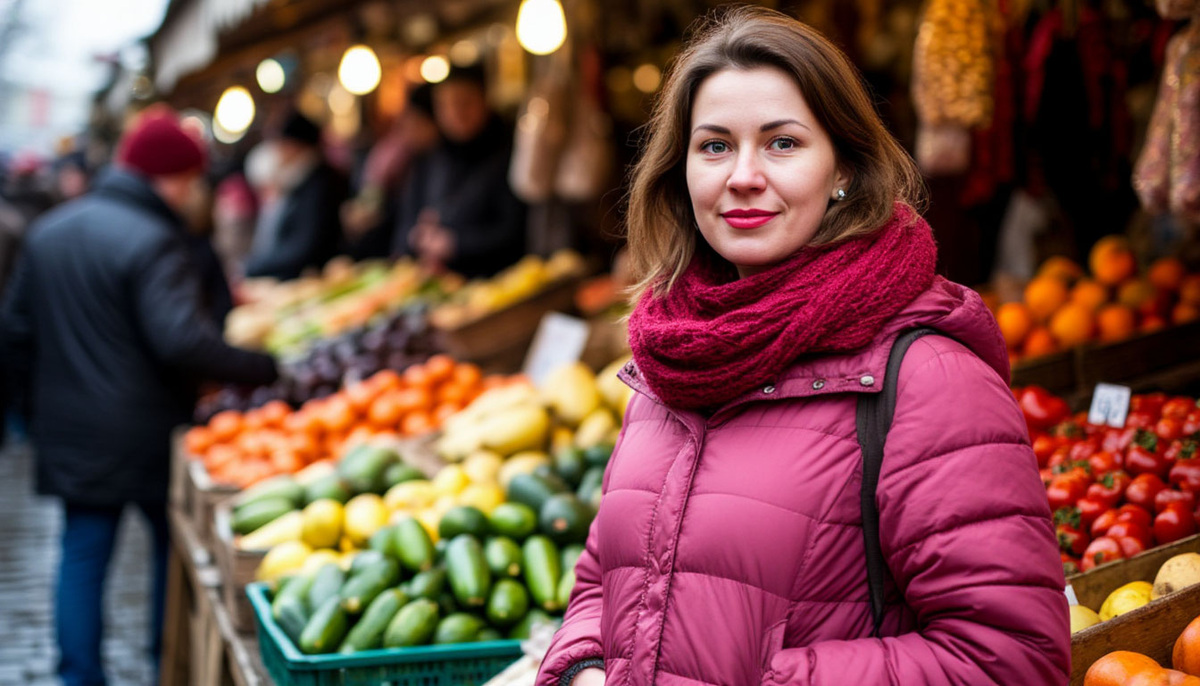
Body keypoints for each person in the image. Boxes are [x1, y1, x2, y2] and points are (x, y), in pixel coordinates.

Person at [537, 8, 1069, 686]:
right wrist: (585, 667)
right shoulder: (670, 359)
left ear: (843, 166)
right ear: (680, 172)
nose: (743, 175)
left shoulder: (927, 377)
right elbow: (603, 583)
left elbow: (1013, 659)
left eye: (782, 143)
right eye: (714, 146)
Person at [0, 107, 279, 686]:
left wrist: (33, 416)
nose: (193, 192)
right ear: (171, 177)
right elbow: (182, 340)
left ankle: (80, 677)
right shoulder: (155, 240)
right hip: (146, 430)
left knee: (82, 554)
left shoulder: (50, 232)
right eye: (191, 179)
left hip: (70, 430)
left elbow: (14, 334)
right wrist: (264, 368)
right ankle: (161, 666)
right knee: (165, 553)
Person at [392, 63, 527, 277]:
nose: (455, 113)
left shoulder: (511, 152)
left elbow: (515, 232)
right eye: (444, 105)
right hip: (439, 281)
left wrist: (456, 244)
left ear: (485, 100)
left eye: (464, 102)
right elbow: (405, 223)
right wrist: (417, 237)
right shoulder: (430, 158)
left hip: (498, 278)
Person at [243, 110, 347, 280]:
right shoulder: (298, 180)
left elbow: (304, 246)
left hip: (314, 276)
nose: (278, 151)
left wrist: (254, 267)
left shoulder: (318, 183)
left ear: (296, 145)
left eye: (282, 143)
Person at [342, 83, 439, 259]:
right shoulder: (408, 156)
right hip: (397, 253)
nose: (407, 127)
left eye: (414, 120)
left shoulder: (431, 161)